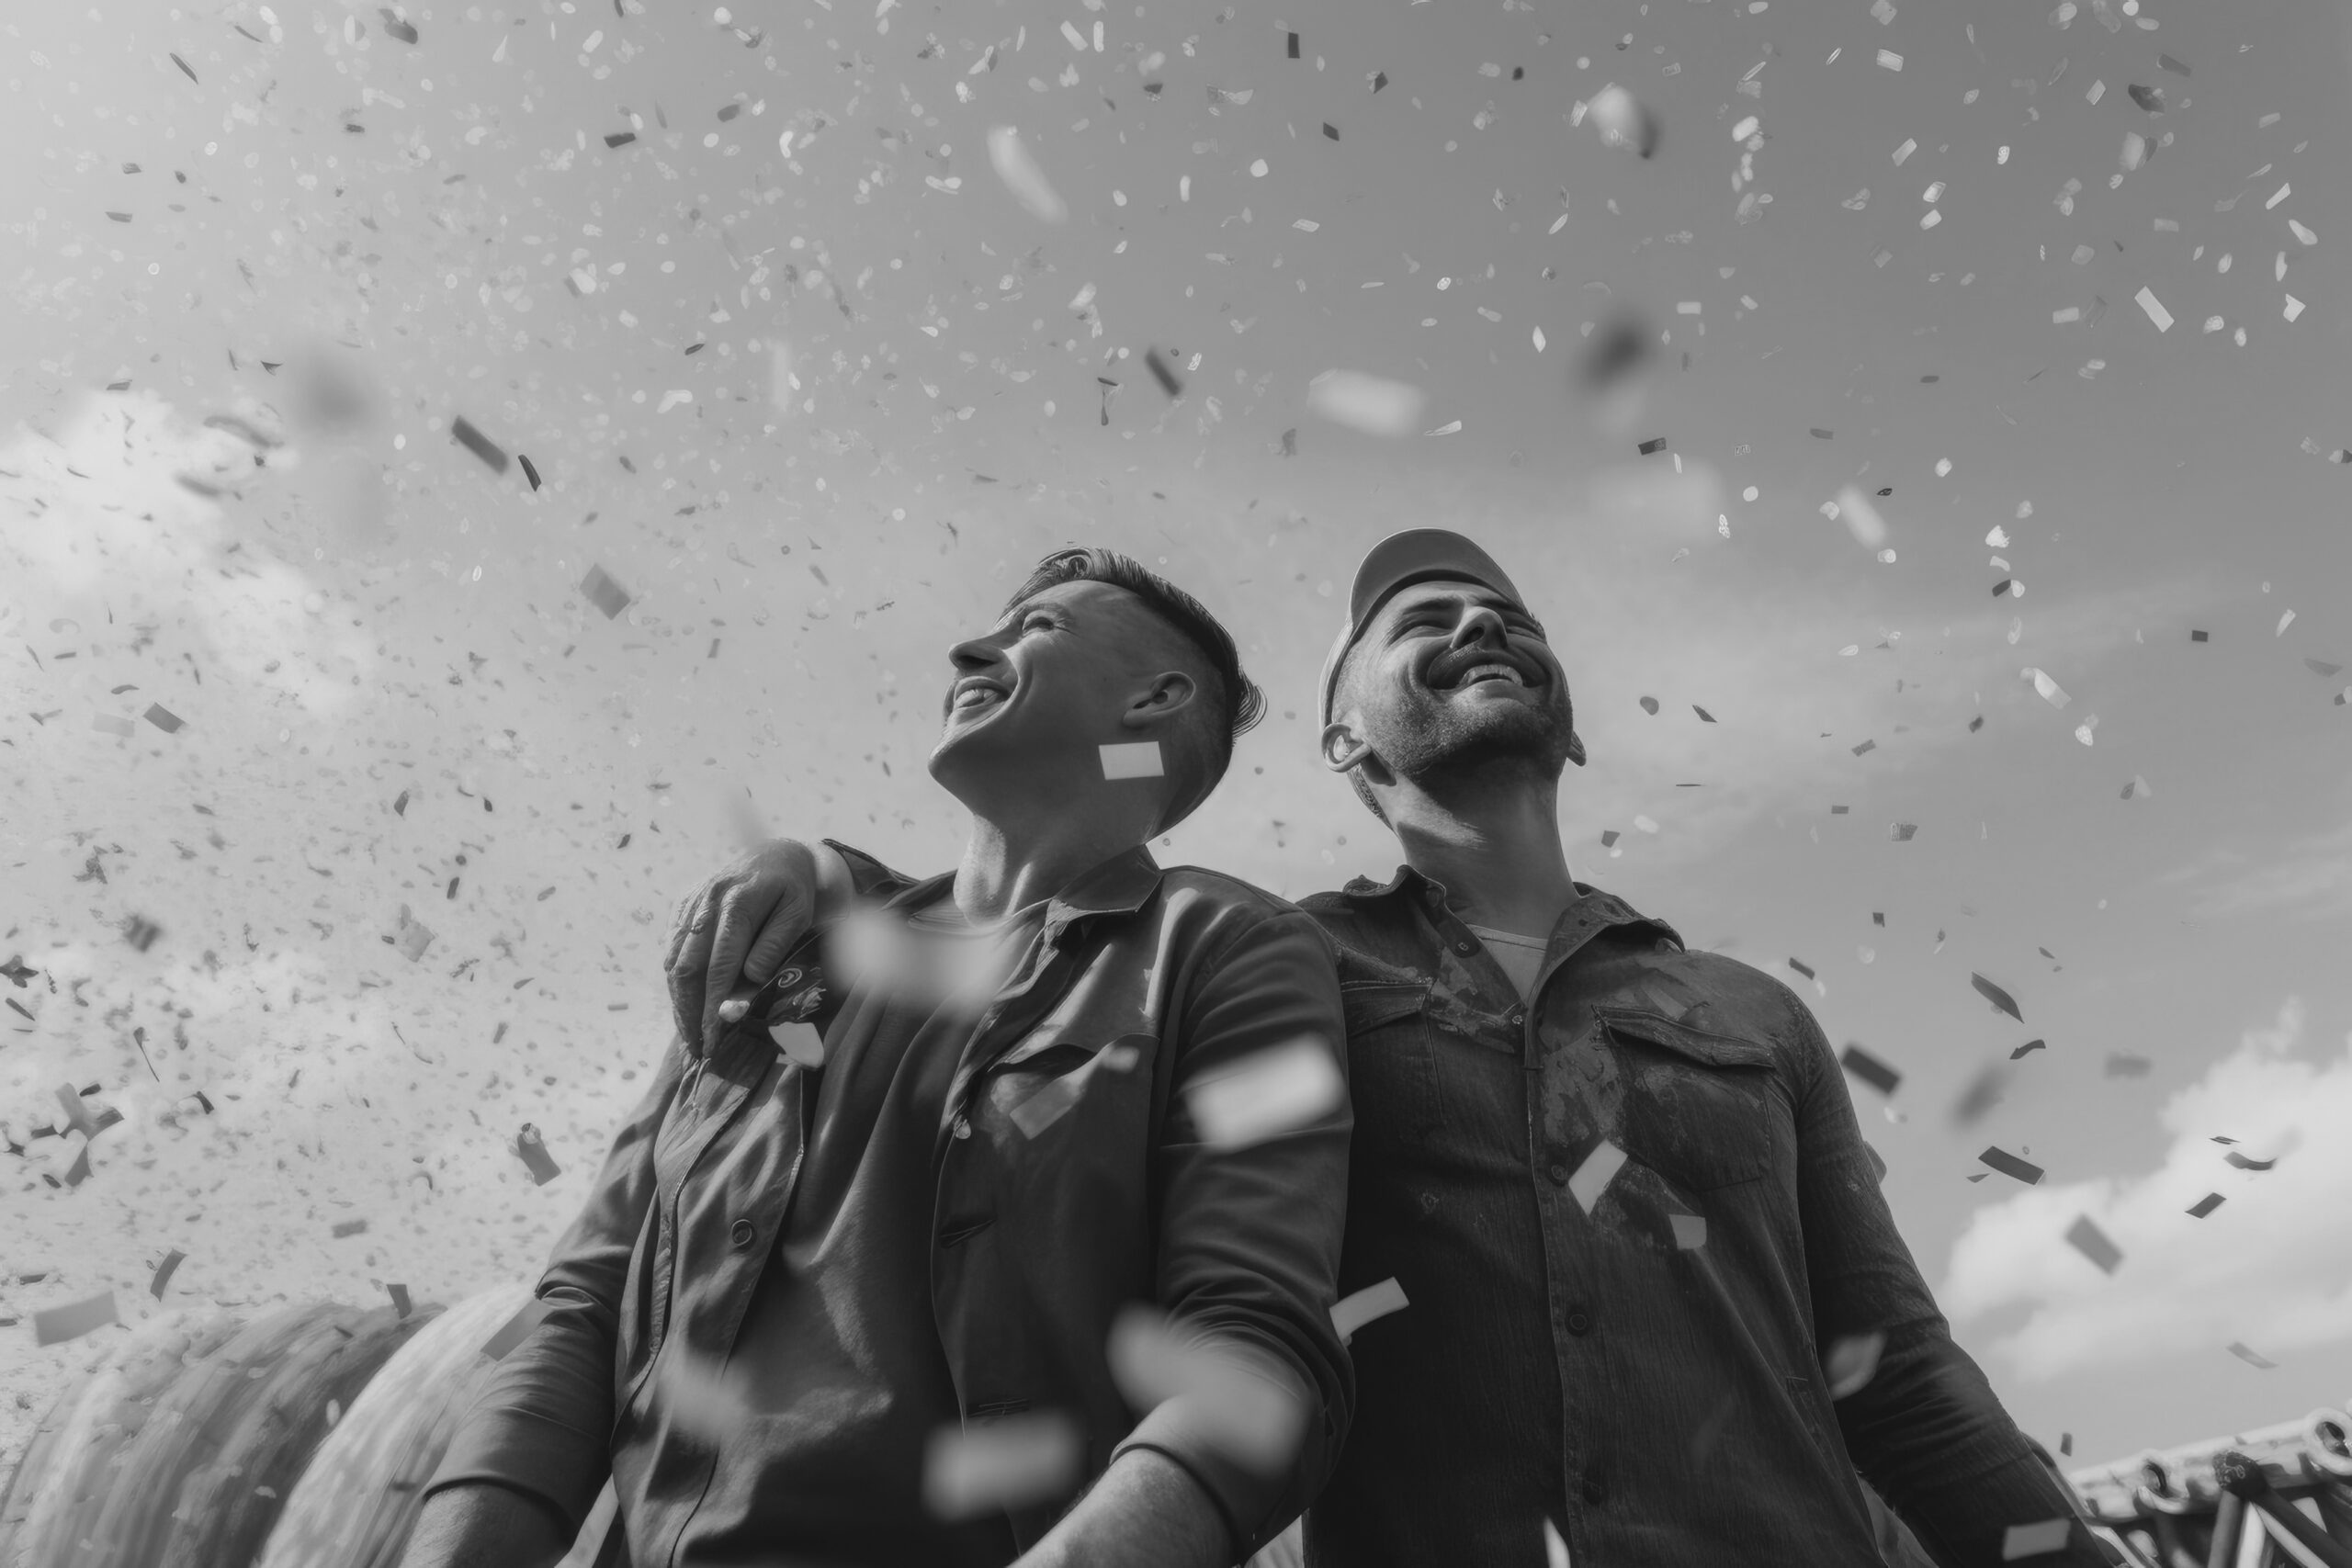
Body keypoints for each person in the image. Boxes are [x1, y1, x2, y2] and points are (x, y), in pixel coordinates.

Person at [669, 529, 2113, 1568]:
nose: (1481, 622)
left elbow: (1905, 1381)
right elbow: (1021, 921)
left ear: (1576, 728)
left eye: (1504, 611)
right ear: (1347, 744)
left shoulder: (1753, 1016)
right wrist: (834, 872)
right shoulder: (1265, 969)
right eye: (1421, 621)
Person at [404, 548, 1355, 1568]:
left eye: (1039, 626)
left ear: (1155, 698)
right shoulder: (775, 956)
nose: (966, 647)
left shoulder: (1227, 951)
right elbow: (584, 1306)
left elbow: (1254, 1341)